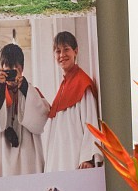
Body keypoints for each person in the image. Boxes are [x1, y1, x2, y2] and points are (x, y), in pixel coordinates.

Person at [0, 43, 50, 176]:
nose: (11, 73)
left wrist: (25, 89)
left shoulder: (31, 91)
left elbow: (42, 118)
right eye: (7, 69)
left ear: (22, 69)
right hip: (3, 151)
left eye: (15, 69)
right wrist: (0, 90)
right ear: (1, 69)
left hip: (28, 152)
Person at [43, 31, 100, 172]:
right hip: (60, 158)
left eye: (66, 49)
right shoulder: (62, 87)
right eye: (58, 51)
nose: (62, 55)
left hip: (75, 157)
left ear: (76, 51)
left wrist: (87, 157)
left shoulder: (82, 82)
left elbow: (90, 121)